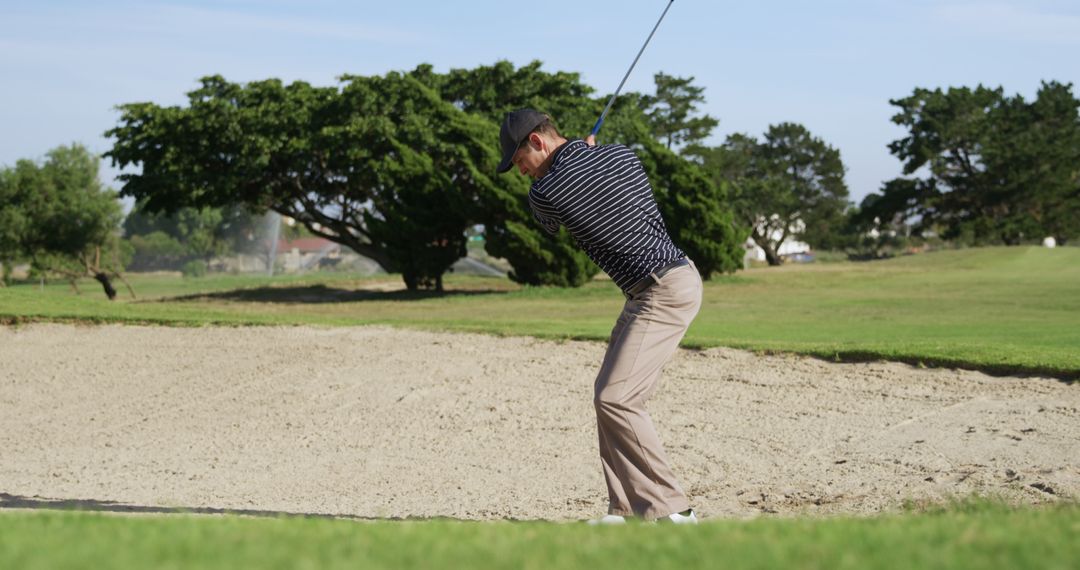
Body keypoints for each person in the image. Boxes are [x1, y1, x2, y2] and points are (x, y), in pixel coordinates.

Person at [497, 109, 702, 524]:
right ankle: (624, 509)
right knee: (606, 395)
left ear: (537, 142)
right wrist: (585, 155)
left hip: (661, 290)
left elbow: (548, 221)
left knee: (617, 398)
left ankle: (674, 511)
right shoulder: (622, 155)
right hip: (663, 283)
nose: (523, 174)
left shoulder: (545, 192)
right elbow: (602, 184)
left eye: (520, 162)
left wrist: (571, 162)